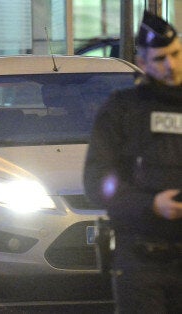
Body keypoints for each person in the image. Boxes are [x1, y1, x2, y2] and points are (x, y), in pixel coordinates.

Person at [83, 11, 181, 313]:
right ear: (142, 64)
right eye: (160, 58)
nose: (171, 66)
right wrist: (151, 205)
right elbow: (97, 183)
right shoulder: (123, 110)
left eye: (176, 54)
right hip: (142, 260)